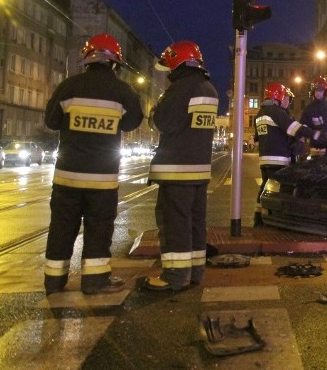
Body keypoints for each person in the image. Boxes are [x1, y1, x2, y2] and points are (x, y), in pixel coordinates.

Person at [43, 34, 143, 295]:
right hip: (102, 179)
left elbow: (52, 121)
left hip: (67, 177)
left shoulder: (68, 87)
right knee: (99, 228)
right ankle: (94, 281)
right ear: (115, 64)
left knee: (62, 228)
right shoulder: (123, 92)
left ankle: (54, 281)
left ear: (86, 59)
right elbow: (133, 122)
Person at [142, 41, 218, 291]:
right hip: (199, 171)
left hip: (176, 171)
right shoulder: (209, 89)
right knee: (196, 223)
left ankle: (175, 275)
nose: (167, 74)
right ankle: (195, 271)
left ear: (177, 64)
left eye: (168, 68)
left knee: (174, 224)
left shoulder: (181, 89)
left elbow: (164, 123)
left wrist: (155, 113)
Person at [254, 82, 326, 226]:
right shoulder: (276, 112)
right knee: (282, 191)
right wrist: (315, 134)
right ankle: (279, 221)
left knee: (264, 189)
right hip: (279, 160)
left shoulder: (260, 113)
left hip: (265, 161)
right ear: (277, 97)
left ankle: (259, 219)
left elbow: (257, 138)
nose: (287, 102)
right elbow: (294, 128)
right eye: (286, 98)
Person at [300, 76, 327, 152]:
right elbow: (304, 129)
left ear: (325, 92)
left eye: (320, 90)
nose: (318, 93)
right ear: (313, 92)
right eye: (316, 90)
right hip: (317, 148)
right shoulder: (309, 109)